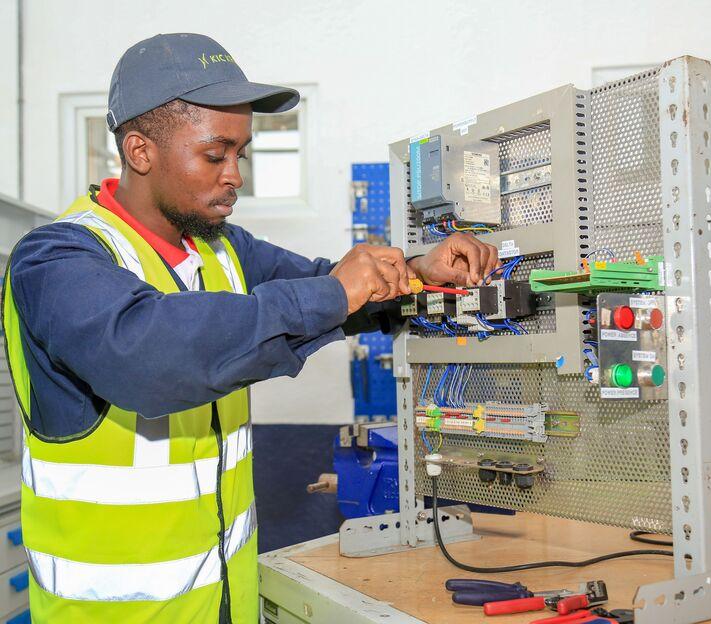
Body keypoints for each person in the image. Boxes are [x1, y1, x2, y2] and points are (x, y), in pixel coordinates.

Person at [2, 33, 499, 623]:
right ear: (140, 151)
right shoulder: (54, 260)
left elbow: (326, 287)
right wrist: (335, 291)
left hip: (228, 605)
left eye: (243, 154)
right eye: (215, 155)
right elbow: (151, 356)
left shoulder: (222, 249)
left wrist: (416, 271)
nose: (236, 176)